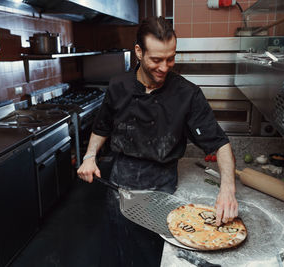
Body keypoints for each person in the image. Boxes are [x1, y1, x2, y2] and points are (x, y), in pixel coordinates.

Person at [77, 16, 238, 267]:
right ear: (139, 52)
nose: (165, 67)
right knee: (123, 249)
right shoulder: (118, 85)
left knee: (155, 253)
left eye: (170, 58)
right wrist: (89, 156)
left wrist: (227, 188)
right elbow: (102, 127)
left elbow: (219, 143)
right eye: (156, 59)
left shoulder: (187, 94)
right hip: (119, 183)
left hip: (163, 185)